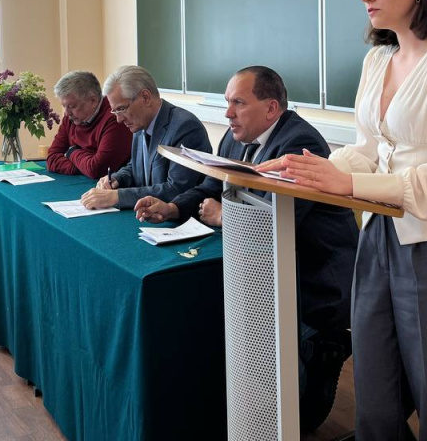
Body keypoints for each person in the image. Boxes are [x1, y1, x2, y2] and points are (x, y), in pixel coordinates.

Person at [259, 0, 427, 441]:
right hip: (377, 234)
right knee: (376, 387)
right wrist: (306, 169)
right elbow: (367, 148)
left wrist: (347, 182)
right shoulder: (377, 61)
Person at [135, 66, 358, 430]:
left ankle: (324, 352)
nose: (228, 113)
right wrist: (174, 207)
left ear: (271, 108)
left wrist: (225, 216)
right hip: (266, 273)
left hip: (313, 287)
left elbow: (281, 220)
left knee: (301, 420)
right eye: (227, 102)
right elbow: (211, 185)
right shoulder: (235, 137)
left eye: (238, 103)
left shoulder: (300, 145)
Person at [80, 65, 210, 210]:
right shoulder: (140, 123)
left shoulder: (185, 127)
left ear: (145, 97)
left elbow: (176, 190)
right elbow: (136, 167)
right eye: (115, 111)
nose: (119, 119)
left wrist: (117, 197)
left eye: (121, 109)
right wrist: (117, 178)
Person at [45, 70, 133, 179]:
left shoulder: (115, 117)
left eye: (72, 106)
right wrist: (83, 167)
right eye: (64, 106)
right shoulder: (71, 118)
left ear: (93, 100)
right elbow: (52, 158)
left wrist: (71, 152)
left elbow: (98, 169)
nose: (67, 113)